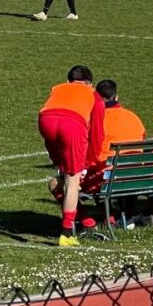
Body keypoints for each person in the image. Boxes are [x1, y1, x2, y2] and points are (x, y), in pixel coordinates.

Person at [38, 65, 105, 246]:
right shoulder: (94, 95)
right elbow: (97, 134)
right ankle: (67, 232)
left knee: (63, 173)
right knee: (72, 179)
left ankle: (86, 221)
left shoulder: (57, 88)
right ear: (90, 84)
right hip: (72, 123)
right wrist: (90, 161)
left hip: (45, 119)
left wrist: (57, 159)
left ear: (68, 81)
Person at [80, 79, 146, 220]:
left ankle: (109, 217)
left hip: (106, 177)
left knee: (72, 179)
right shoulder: (133, 117)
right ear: (116, 97)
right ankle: (126, 215)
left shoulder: (96, 119)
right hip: (135, 174)